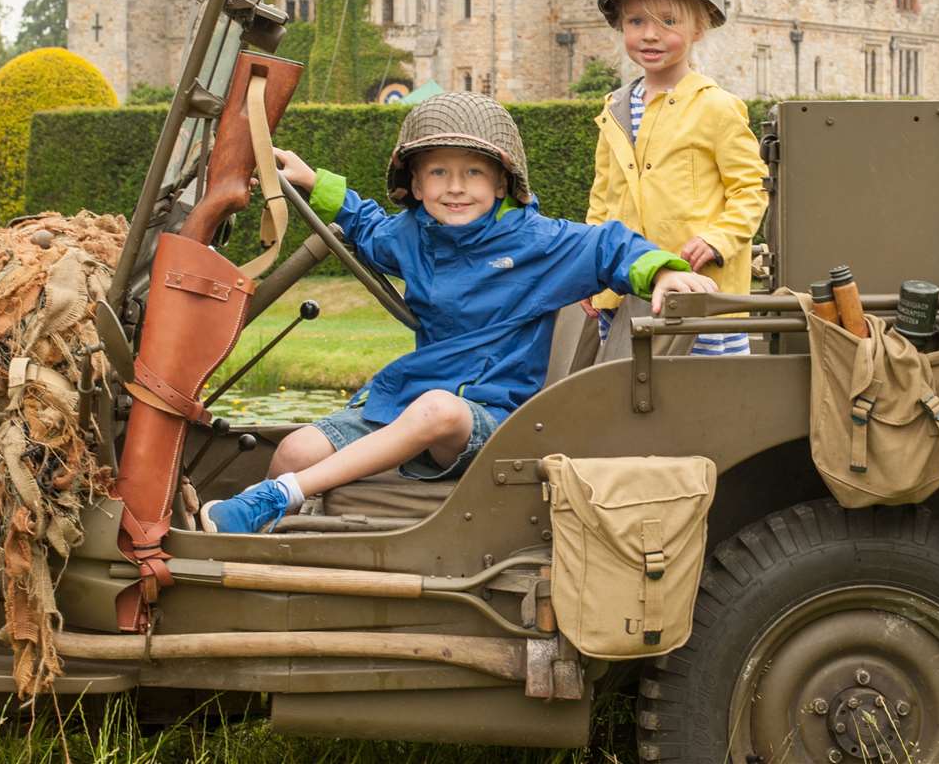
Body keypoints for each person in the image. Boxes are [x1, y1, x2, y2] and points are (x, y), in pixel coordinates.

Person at [201, 92, 716, 534]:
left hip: (496, 419)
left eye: (473, 172)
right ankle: (257, 547)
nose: (455, 187)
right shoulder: (411, 237)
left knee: (437, 408)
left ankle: (277, 497)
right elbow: (366, 225)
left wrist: (664, 271)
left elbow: (610, 246)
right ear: (417, 187)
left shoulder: (538, 242)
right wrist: (315, 182)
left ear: (501, 184)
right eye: (439, 173)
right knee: (296, 449)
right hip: (408, 400)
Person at [583, 0, 768, 356]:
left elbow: (751, 190)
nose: (650, 35)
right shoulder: (613, 108)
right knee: (628, 400)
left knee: (704, 407)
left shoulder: (717, 107)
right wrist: (586, 269)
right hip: (625, 291)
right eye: (636, 22)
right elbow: (601, 201)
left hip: (700, 297)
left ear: (699, 27)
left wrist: (720, 238)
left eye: (668, 21)